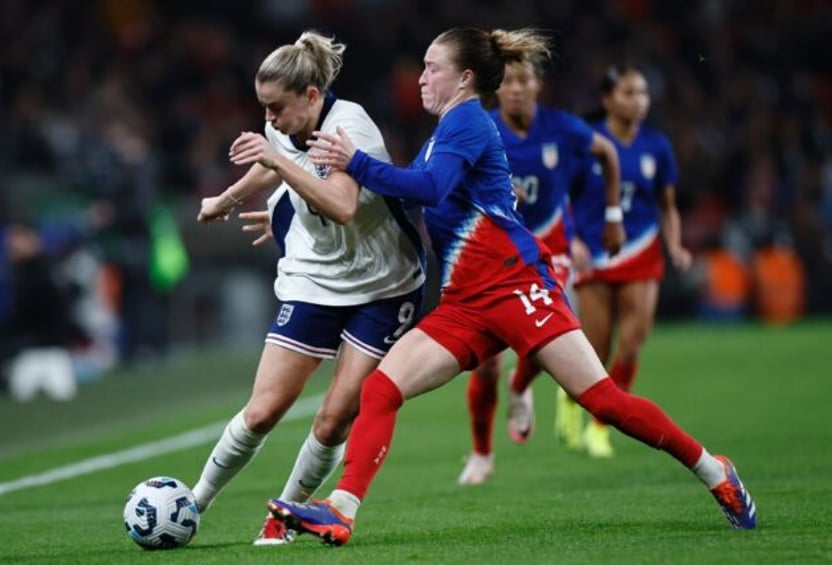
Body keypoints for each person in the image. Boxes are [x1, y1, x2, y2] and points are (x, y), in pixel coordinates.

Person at [268, 28, 756, 546]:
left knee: (605, 402)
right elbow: (404, 195)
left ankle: (714, 470)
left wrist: (357, 163)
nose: (422, 77)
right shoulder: (446, 130)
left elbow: (430, 188)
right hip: (465, 303)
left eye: (432, 67)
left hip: (516, 287)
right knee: (381, 390)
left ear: (465, 77)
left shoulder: (468, 122)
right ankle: (341, 510)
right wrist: (299, 209)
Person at [191, 30, 426, 546]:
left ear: (313, 97)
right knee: (262, 411)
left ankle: (284, 518)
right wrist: (228, 198)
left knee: (332, 419)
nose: (269, 119)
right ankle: (193, 504)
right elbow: (273, 153)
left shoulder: (350, 129)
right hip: (315, 276)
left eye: (277, 108)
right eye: (263, 108)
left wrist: (277, 166)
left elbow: (341, 204)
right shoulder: (285, 124)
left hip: (382, 285)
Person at [458, 56, 625, 485]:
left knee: (548, 339)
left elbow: (607, 154)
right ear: (496, 90)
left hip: (552, 246)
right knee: (485, 365)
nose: (516, 88)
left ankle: (521, 386)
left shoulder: (563, 128)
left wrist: (610, 216)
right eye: (508, 82)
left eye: (524, 80)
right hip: (498, 250)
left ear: (538, 85)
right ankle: (481, 453)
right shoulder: (483, 132)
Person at [562, 65, 694, 458]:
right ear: (607, 100)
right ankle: (570, 402)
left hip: (641, 250)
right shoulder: (585, 142)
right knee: (596, 350)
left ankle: (600, 429)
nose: (639, 101)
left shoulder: (657, 146)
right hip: (595, 254)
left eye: (643, 93)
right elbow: (560, 197)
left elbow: (668, 206)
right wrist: (572, 242)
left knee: (633, 341)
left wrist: (675, 245)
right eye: (629, 93)